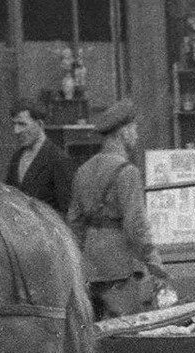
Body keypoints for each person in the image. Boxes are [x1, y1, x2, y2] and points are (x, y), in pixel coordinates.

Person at [67, 99, 169, 320]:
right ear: (122, 133)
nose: (136, 135)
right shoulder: (127, 172)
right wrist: (156, 265)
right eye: (134, 129)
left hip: (89, 269)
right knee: (127, 335)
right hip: (119, 268)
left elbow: (74, 225)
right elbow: (136, 226)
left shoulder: (83, 170)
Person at [5, 99, 74, 215]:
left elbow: (67, 209)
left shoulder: (58, 159)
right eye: (14, 124)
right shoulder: (16, 157)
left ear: (40, 124)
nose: (16, 131)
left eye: (22, 124)